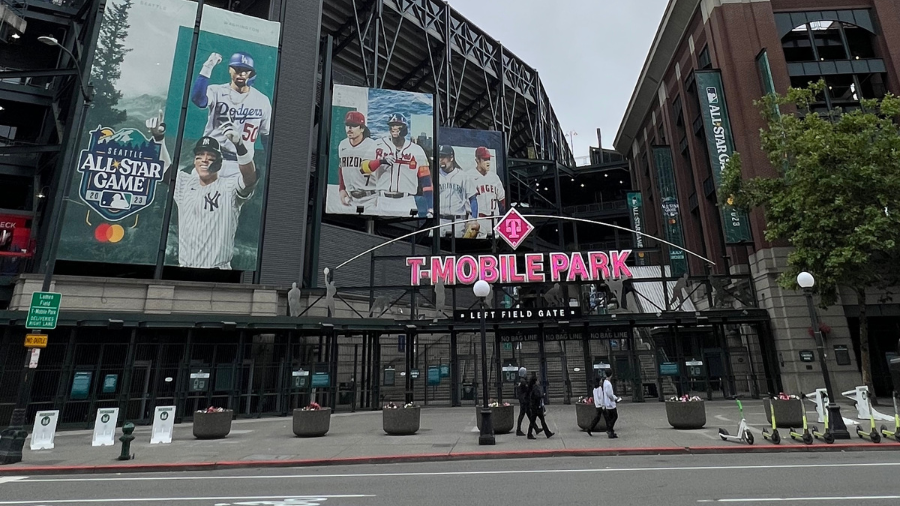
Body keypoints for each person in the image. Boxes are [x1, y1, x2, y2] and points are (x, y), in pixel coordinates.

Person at [146, 113, 257, 269]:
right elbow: (163, 168)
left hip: (218, 273)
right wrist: (158, 139)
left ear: (220, 162)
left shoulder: (229, 186)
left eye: (210, 156)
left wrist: (239, 145)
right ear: (194, 161)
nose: (204, 159)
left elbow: (250, 178)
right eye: (200, 156)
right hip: (184, 270)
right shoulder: (185, 183)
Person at [190, 52, 272, 177]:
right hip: (212, 159)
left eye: (246, 70)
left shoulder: (262, 100)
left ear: (252, 73)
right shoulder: (216, 91)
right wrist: (207, 67)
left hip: (241, 165)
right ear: (229, 69)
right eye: (237, 69)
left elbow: (266, 136)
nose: (242, 73)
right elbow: (198, 100)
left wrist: (272, 165)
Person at [372, 113, 433, 217]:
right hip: (383, 199)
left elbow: (426, 181)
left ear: (404, 129)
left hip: (407, 200)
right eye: (392, 125)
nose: (394, 128)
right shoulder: (378, 145)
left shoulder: (416, 150)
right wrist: (381, 161)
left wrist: (430, 207)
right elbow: (363, 168)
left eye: (398, 125)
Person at [337, 111, 379, 211]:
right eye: (347, 125)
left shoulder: (373, 146)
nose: (349, 129)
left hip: (371, 198)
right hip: (350, 199)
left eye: (354, 126)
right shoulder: (343, 144)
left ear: (362, 128)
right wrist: (341, 189)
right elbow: (341, 167)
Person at [437, 145, 478, 237]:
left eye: (443, 157)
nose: (441, 160)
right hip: (438, 221)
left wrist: (474, 219)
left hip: (458, 222)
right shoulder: (435, 175)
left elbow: (473, 199)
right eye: (439, 156)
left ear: (451, 158)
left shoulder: (463, 176)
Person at [470, 146, 505, 238]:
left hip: (494, 220)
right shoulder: (469, 176)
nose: (488, 162)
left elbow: (502, 200)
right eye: (485, 159)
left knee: (495, 247)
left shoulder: (495, 178)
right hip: (478, 220)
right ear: (477, 160)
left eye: (489, 159)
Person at [602, 369, 620, 438]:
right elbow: (610, 394)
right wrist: (615, 398)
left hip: (607, 402)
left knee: (610, 417)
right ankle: (609, 429)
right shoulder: (608, 384)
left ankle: (611, 431)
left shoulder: (605, 382)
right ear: (611, 375)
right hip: (610, 403)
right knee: (615, 416)